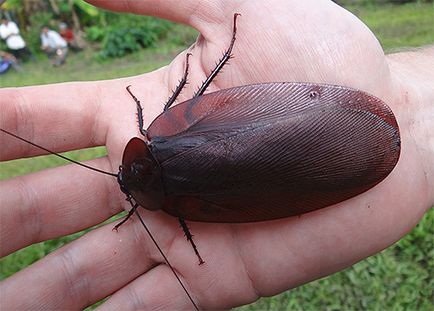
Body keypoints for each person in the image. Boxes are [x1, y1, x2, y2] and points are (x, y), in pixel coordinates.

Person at [0, 1, 433, 310]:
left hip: (254, 177)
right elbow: (194, 101)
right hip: (278, 129)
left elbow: (258, 204)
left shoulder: (178, 208)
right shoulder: (160, 137)